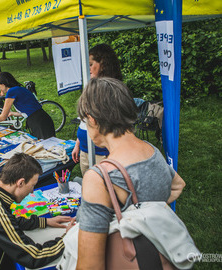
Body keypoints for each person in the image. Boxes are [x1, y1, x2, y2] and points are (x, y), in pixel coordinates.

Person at [75, 78, 186, 269]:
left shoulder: (99, 177)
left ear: (92, 119)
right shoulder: (151, 150)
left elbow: (89, 265)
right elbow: (178, 184)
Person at [0, 153, 76, 270]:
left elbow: (9, 220)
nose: (32, 192)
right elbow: (34, 256)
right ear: (20, 183)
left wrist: (44, 221)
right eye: (32, 185)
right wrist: (68, 238)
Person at [72, 44, 122, 176]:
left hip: (102, 152)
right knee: (89, 189)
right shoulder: (90, 86)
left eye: (90, 64)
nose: (87, 68)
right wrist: (78, 143)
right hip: (85, 148)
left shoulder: (112, 90)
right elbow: (84, 120)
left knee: (104, 191)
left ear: (103, 64)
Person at [0, 72, 55, 139]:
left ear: (3, 84)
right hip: (43, 118)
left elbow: (3, 117)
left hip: (38, 123)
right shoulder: (19, 89)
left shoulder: (11, 92)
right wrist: (12, 113)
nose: (0, 89)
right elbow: (28, 111)